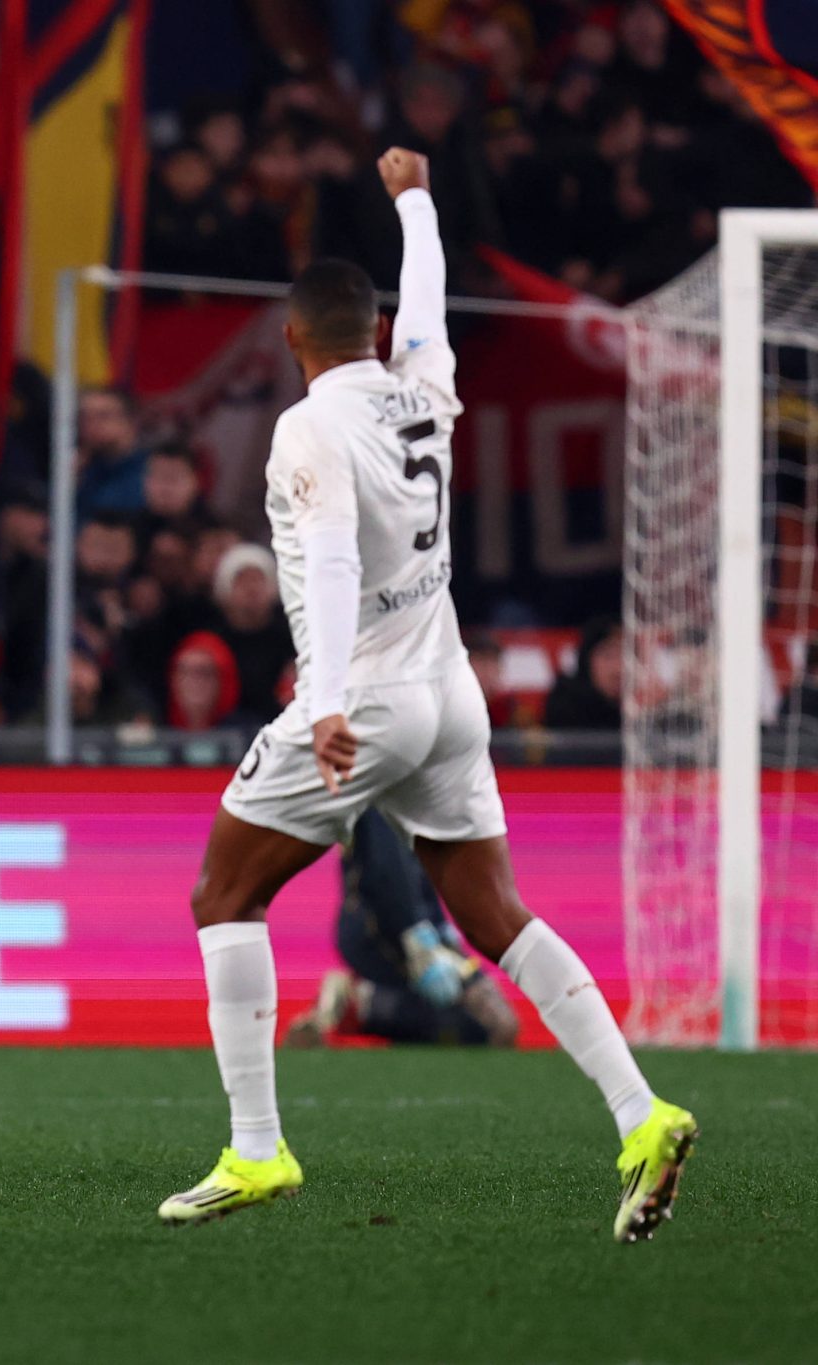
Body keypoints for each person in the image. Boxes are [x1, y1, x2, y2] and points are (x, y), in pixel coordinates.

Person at [158, 149, 695, 1243]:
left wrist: (324, 703)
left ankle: (256, 1149)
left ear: (291, 339)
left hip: (371, 699)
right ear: (376, 330)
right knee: (494, 914)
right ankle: (641, 1113)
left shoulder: (308, 427)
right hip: (451, 691)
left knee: (222, 896)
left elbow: (330, 560)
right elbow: (432, 298)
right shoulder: (424, 388)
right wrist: (414, 198)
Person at [281, 810, 519, 1048]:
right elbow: (388, 874)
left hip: (420, 929)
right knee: (482, 1029)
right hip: (383, 934)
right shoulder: (384, 795)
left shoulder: (414, 795)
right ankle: (360, 1005)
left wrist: (444, 934)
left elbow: (422, 871)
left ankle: (367, 1003)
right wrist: (418, 942)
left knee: (501, 1022)